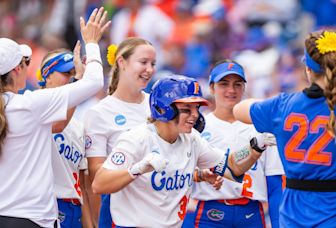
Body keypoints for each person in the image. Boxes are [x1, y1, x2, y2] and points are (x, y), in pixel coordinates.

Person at [0, 7, 109, 227]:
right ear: (17, 69)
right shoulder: (29, 105)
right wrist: (92, 42)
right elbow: (94, 83)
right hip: (28, 216)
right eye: (25, 63)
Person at [92, 75, 276, 227]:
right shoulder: (137, 138)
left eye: (196, 108)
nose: (195, 115)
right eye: (187, 109)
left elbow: (232, 167)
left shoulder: (191, 139)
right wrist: (137, 169)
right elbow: (99, 184)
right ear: (164, 108)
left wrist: (255, 146)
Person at [233, 30, 336, 227]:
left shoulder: (282, 106)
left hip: (293, 218)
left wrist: (269, 110)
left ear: (307, 69)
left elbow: (238, 110)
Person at [189, 60, 284, 228]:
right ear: (212, 88)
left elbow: (275, 184)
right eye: (224, 84)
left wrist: (277, 224)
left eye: (237, 84)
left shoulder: (262, 128)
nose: (231, 90)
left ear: (244, 88)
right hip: (210, 212)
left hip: (252, 212)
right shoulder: (197, 127)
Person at [83, 37, 156, 227]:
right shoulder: (99, 112)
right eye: (143, 62)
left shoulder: (157, 105)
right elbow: (95, 175)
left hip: (159, 203)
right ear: (122, 62)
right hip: (121, 209)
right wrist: (138, 168)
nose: (149, 69)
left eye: (153, 64)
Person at [38, 43, 93, 228]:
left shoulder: (79, 127)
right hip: (46, 206)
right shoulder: (32, 108)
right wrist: (79, 82)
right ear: (46, 75)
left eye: (73, 74)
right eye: (65, 73)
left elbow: (82, 188)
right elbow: (58, 124)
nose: (70, 79)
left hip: (73, 209)